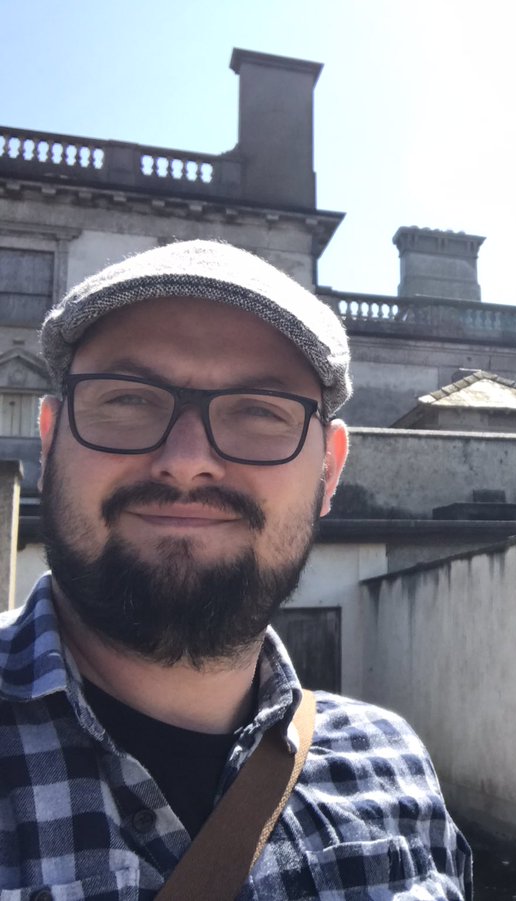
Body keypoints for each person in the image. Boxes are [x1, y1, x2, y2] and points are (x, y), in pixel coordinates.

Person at [0, 240, 472, 899]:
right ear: (50, 442)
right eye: (129, 400)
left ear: (329, 471)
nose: (187, 461)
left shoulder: (394, 770)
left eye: (259, 411)